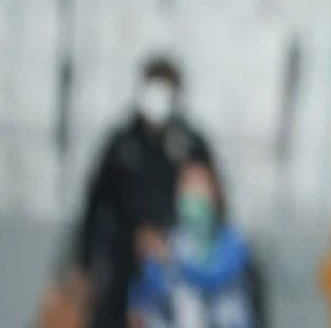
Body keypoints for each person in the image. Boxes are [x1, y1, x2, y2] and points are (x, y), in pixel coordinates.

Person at [73, 55, 216, 328]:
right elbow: (95, 205)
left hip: (178, 265)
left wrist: (170, 239)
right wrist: (85, 262)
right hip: (121, 262)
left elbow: (210, 204)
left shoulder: (191, 145)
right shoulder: (121, 145)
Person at [129, 156, 259, 328]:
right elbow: (147, 292)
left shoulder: (233, 243)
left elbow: (214, 276)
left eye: (200, 186)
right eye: (187, 186)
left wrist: (171, 259)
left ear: (216, 193)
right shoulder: (171, 241)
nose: (193, 195)